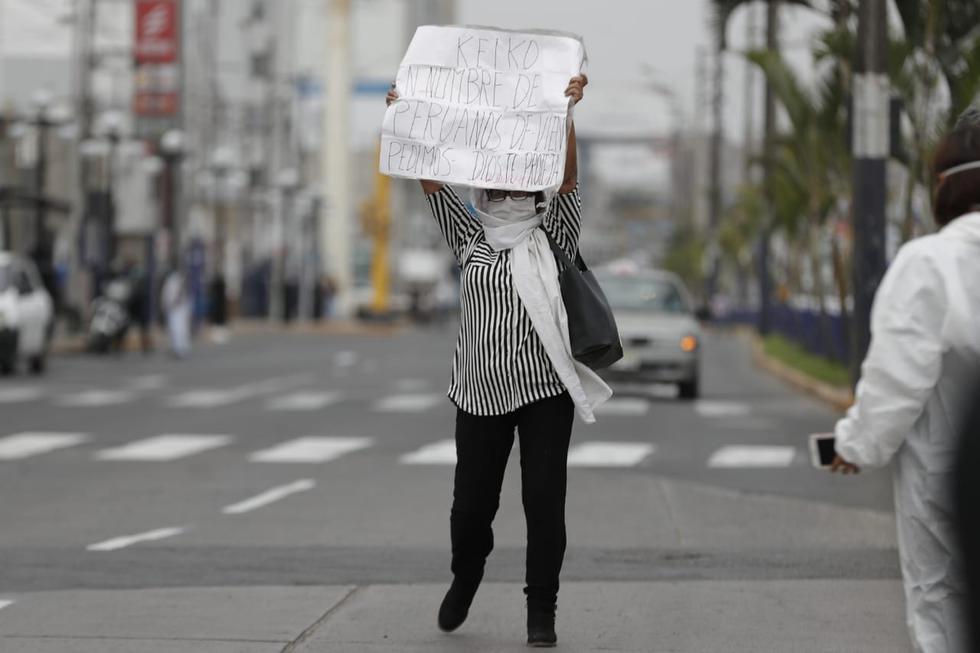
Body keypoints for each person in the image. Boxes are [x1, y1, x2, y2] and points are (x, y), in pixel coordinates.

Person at [387, 74, 610, 648]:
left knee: (543, 502)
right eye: (498, 182)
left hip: (544, 390)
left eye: (518, 183)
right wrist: (408, 120)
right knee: (471, 508)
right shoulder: (470, 238)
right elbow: (433, 184)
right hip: (479, 395)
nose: (508, 191)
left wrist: (564, 111)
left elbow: (567, 178)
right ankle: (467, 574)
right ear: (484, 190)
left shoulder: (553, 232)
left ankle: (542, 612)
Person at [829, 108, 980, 652]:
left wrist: (856, 444)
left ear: (947, 183)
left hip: (946, 473)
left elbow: (898, 379)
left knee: (942, 603)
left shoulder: (931, 264)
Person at [161, 267, 191, 359]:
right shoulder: (175, 281)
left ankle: (179, 349)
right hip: (177, 308)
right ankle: (179, 348)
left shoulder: (174, 281)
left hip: (177, 308)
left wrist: (171, 305)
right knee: (178, 329)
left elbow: (175, 296)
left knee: (177, 329)